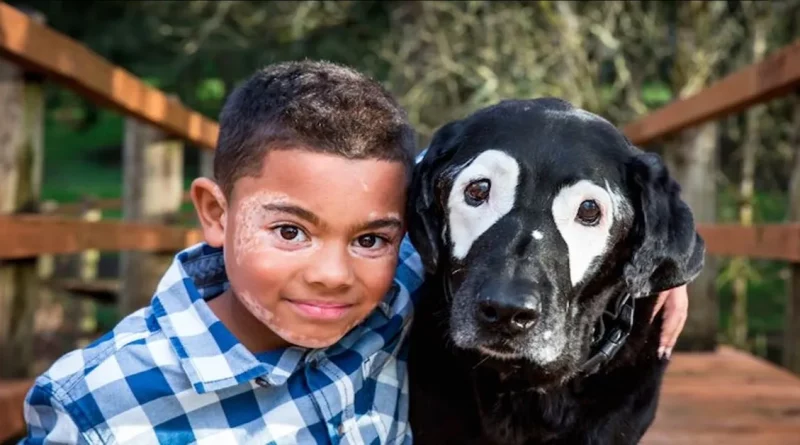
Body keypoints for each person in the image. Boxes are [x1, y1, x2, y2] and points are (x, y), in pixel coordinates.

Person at [20, 60, 689, 444]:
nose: (332, 273)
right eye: (289, 231)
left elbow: (467, 181)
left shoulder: (388, 291)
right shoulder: (100, 403)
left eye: (370, 237)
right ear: (215, 214)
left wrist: (647, 257)